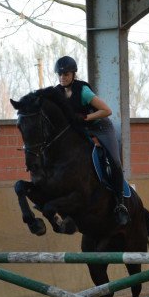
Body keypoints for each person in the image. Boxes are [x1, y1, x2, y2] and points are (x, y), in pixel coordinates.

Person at [53, 55, 130, 226]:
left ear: (73, 74)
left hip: (100, 126)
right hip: (81, 129)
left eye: (66, 74)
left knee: (115, 161)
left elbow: (107, 110)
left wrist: (86, 117)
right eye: (60, 75)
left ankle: (120, 204)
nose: (62, 78)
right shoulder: (57, 92)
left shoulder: (83, 91)